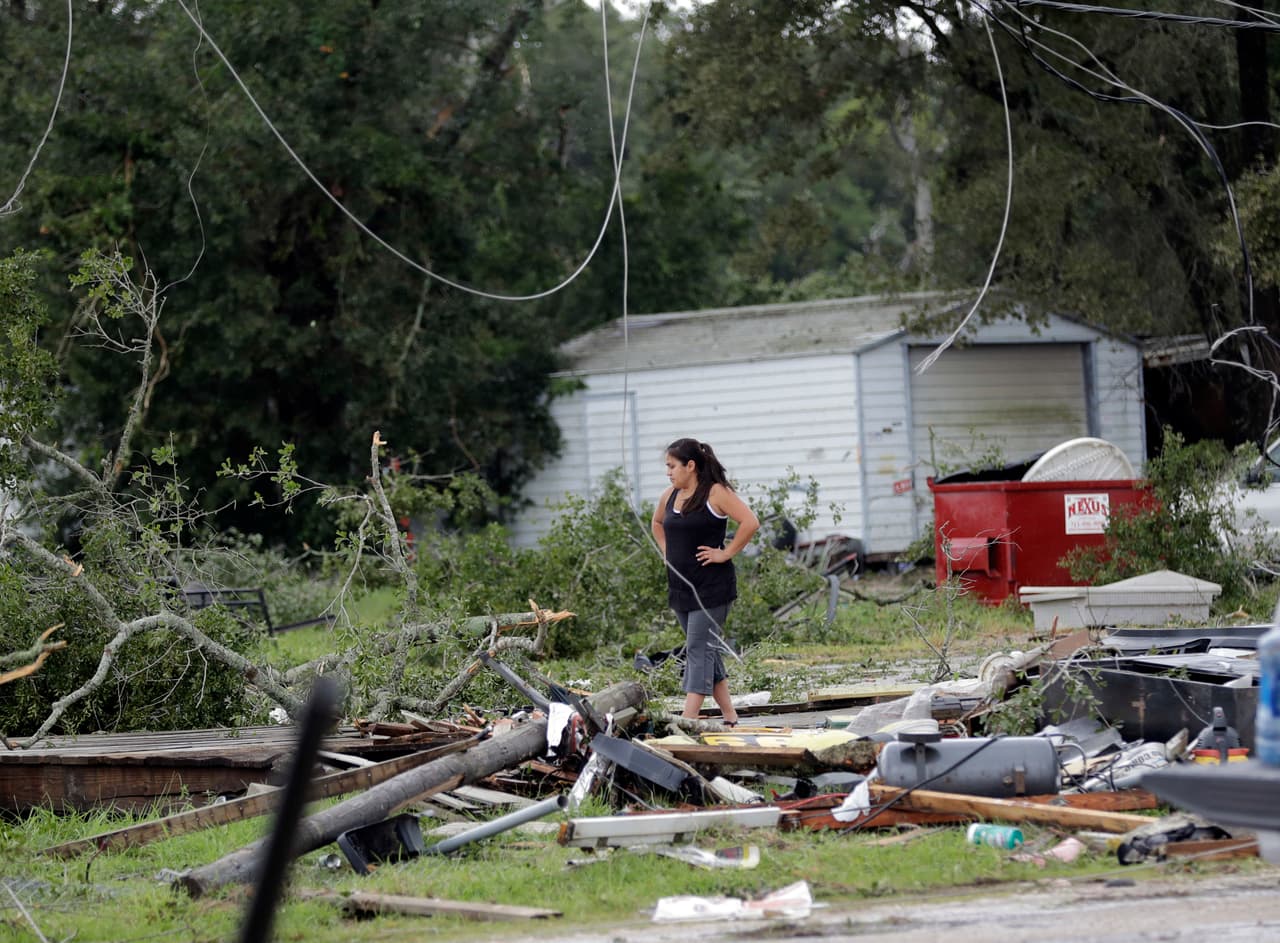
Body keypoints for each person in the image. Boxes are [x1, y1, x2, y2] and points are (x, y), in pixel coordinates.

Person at [650, 438, 760, 724]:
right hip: (680, 588)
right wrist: (666, 551)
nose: (668, 472)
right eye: (666, 467)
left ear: (690, 465)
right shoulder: (670, 495)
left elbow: (750, 522)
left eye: (672, 466)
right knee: (705, 649)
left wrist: (727, 552)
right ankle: (730, 716)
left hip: (712, 589)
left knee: (698, 650)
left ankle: (687, 722)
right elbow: (657, 523)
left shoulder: (716, 493)